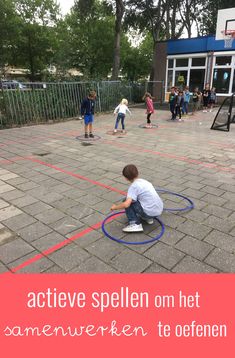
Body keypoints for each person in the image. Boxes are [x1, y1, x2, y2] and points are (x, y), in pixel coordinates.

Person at [110, 164, 163, 232]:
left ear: (125, 178)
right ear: (137, 173)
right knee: (137, 198)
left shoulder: (133, 187)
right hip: (158, 211)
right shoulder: (145, 181)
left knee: (126, 200)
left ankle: (135, 224)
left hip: (149, 213)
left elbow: (126, 204)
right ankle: (149, 219)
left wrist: (115, 207)